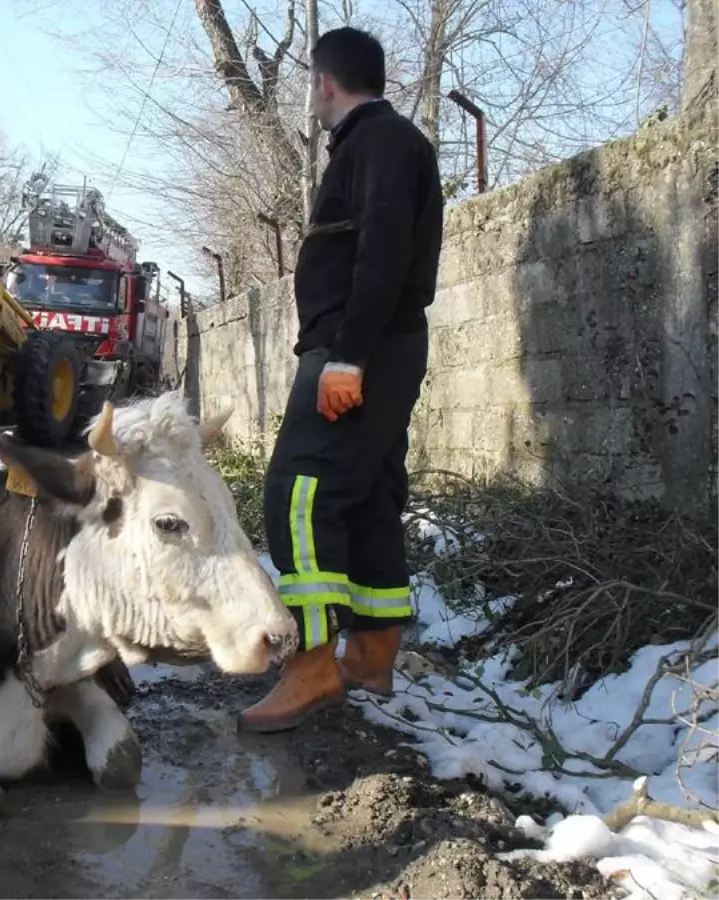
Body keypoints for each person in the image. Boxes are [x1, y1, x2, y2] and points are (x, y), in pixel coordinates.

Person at [238, 26, 444, 733]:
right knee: (369, 495)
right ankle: (374, 653)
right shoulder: (387, 145)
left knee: (298, 489)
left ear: (324, 83)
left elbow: (383, 250)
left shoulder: (378, 143)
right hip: (381, 344)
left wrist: (347, 356)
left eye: (310, 86)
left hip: (360, 346)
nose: (311, 96)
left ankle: (314, 662)